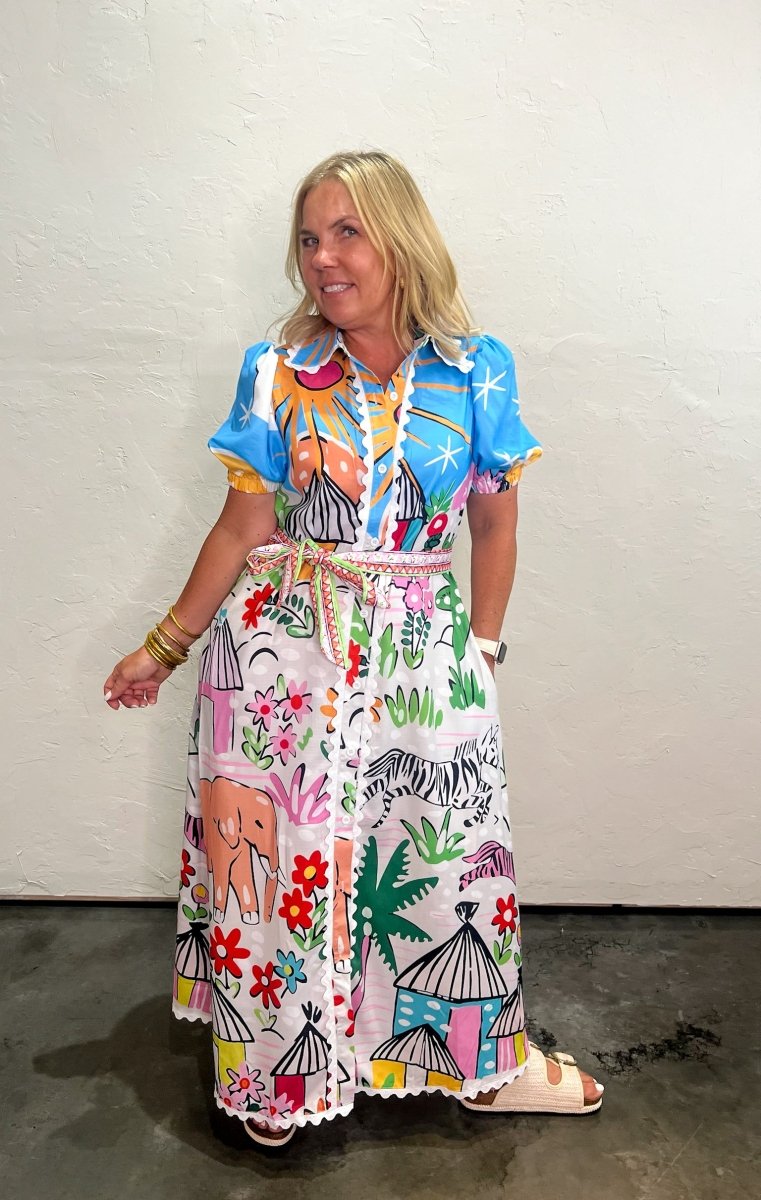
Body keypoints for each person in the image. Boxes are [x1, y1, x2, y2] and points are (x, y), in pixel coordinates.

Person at [104, 150, 604, 1147]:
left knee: (442, 859)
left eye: (346, 233)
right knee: (284, 863)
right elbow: (242, 526)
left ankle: (481, 1066)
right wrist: (164, 645)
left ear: (400, 240)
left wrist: (483, 650)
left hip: (422, 652)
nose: (322, 259)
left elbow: (494, 523)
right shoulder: (278, 372)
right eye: (308, 239)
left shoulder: (474, 369)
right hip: (281, 656)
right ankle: (277, 1072)